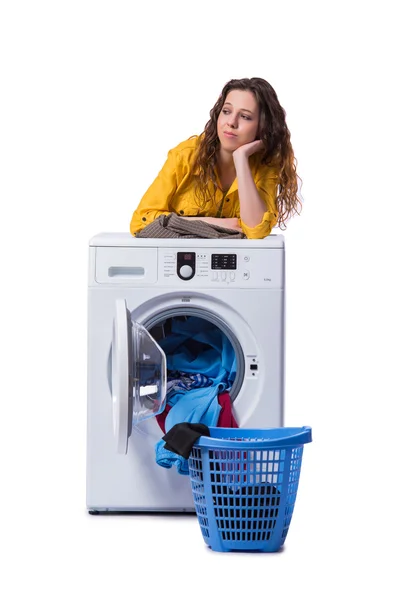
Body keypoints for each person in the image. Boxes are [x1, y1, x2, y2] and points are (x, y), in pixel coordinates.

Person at [130, 77, 301, 239]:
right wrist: (213, 223)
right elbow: (140, 221)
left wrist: (241, 158)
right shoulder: (185, 156)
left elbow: (256, 230)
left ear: (263, 126)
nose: (231, 122)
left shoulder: (267, 165)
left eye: (245, 117)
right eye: (226, 111)